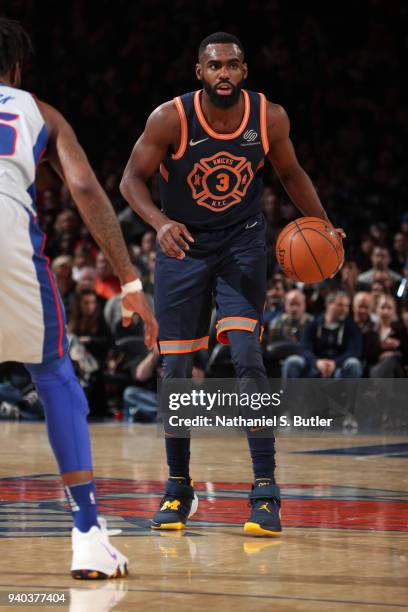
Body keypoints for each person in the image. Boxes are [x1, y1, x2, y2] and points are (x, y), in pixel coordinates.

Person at [120, 31, 344, 536]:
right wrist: (158, 223)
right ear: (199, 71)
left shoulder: (269, 117)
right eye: (215, 66)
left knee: (247, 355)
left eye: (233, 65)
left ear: (245, 70)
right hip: (183, 246)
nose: (225, 73)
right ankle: (178, 487)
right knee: (175, 368)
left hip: (242, 243)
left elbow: (290, 173)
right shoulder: (169, 118)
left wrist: (324, 224)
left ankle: (265, 491)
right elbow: (130, 179)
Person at [0, 19, 157, 579]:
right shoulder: (38, 110)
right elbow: (86, 188)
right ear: (15, 68)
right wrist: (131, 284)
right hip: (8, 243)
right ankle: (88, 533)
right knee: (53, 374)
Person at [283, 292, 363, 379]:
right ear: (328, 305)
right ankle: (289, 392)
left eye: (347, 306)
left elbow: (354, 351)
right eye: (340, 305)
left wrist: (335, 363)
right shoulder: (313, 324)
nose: (344, 309)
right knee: (292, 361)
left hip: (339, 368)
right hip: (314, 366)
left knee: (354, 363)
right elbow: (304, 349)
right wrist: (317, 362)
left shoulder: (352, 327)